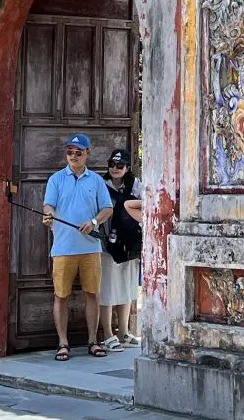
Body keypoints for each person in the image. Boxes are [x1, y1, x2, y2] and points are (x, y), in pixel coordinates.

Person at [42, 132, 112, 360]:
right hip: (63, 248)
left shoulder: (96, 181)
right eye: (70, 152)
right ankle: (63, 343)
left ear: (87, 154)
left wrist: (93, 222)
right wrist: (49, 216)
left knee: (92, 294)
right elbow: (48, 206)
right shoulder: (56, 179)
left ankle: (93, 340)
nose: (73, 156)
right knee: (60, 296)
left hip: (90, 248)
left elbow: (107, 209)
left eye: (78, 152)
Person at [96, 148, 143, 350]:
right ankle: (107, 333)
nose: (115, 169)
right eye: (112, 165)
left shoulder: (136, 185)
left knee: (126, 286)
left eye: (119, 165)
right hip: (107, 242)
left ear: (127, 167)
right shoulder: (101, 185)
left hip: (129, 243)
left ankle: (123, 332)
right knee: (107, 287)